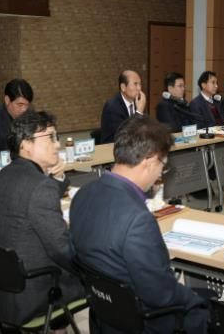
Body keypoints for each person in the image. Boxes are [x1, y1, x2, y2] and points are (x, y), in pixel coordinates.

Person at [70, 117, 210, 333]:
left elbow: (73, 254)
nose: (160, 173)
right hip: (142, 322)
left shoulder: (83, 195)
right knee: (208, 306)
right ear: (150, 160)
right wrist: (194, 299)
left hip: (105, 316)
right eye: (163, 165)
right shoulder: (138, 219)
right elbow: (161, 295)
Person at [0, 110, 83, 329]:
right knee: (102, 278)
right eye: (50, 137)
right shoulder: (40, 186)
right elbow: (61, 248)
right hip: (31, 292)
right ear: (26, 145)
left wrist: (57, 178)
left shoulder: (3, 176)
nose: (57, 144)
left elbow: (30, 198)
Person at [0, 78, 33, 158]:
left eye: (27, 105)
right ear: (7, 100)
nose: (24, 109)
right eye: (20, 104)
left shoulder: (31, 116)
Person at [100, 70, 146, 144]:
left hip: (132, 145)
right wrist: (139, 112)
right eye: (135, 84)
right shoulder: (112, 107)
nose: (139, 88)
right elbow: (124, 135)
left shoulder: (137, 102)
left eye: (140, 84)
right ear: (123, 87)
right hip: (113, 146)